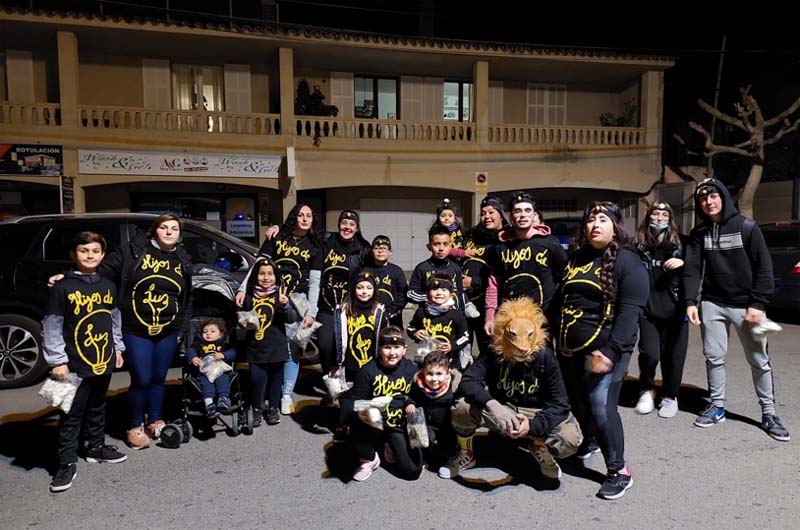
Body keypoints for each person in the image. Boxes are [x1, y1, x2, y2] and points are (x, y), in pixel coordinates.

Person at [683, 178, 790, 441]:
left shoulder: (747, 227)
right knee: (714, 357)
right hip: (712, 303)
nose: (708, 202)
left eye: (713, 196)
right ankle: (717, 406)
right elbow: (692, 269)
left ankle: (769, 413)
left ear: (723, 197)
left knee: (759, 360)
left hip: (747, 305)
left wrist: (757, 303)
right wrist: (690, 301)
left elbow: (764, 267)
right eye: (703, 198)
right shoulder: (699, 233)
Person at [555, 202, 648, 500]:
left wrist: (610, 351)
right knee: (577, 401)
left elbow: (630, 312)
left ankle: (619, 470)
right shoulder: (577, 257)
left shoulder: (628, 260)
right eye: (591, 220)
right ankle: (591, 439)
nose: (595, 225)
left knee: (600, 403)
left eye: (603, 220)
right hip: (571, 349)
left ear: (616, 226)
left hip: (607, 349)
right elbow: (562, 301)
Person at [441, 298, 581, 482]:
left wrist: (533, 425)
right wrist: (493, 405)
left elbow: (560, 403)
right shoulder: (495, 352)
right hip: (501, 410)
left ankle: (538, 444)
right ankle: (466, 451)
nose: (522, 348)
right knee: (461, 407)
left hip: (534, 413)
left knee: (570, 438)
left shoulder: (545, 356)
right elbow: (468, 380)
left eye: (529, 335)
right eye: (513, 336)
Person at [100, 213, 193, 449]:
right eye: (164, 227)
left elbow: (187, 296)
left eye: (174, 228)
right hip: (135, 328)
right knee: (141, 378)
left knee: (159, 378)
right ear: (154, 230)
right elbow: (100, 272)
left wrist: (182, 327)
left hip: (168, 329)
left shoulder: (181, 259)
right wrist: (69, 276)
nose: (169, 232)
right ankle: (134, 425)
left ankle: (155, 420)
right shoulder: (133, 251)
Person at [43, 231, 127, 492]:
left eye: (95, 251)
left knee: (98, 405)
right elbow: (52, 324)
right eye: (84, 251)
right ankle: (66, 462)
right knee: (71, 413)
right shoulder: (63, 286)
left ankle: (95, 447)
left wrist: (118, 348)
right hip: (73, 362)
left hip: (102, 357)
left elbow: (114, 318)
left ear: (102, 255)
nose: (90, 255)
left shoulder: (108, 285)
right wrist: (57, 361)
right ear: (73, 254)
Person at [237, 203, 323, 415]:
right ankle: (265, 393)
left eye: (309, 215)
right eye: (300, 215)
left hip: (297, 301)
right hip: (268, 298)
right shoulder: (277, 236)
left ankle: (286, 395)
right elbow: (258, 266)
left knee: (292, 349)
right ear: (294, 217)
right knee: (268, 341)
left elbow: (315, 282)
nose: (305, 219)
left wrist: (311, 311)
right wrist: (243, 288)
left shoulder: (315, 244)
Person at [633, 201, 688, 418]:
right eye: (655, 214)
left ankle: (670, 395)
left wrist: (682, 263)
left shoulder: (681, 244)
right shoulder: (638, 245)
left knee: (673, 357)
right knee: (649, 354)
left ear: (670, 219)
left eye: (665, 215)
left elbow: (696, 269)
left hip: (676, 310)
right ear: (648, 217)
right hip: (649, 310)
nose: (660, 218)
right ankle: (646, 390)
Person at [484, 191, 567, 335]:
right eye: (518, 211)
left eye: (527, 210)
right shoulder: (501, 247)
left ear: (534, 215)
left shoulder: (550, 243)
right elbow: (494, 285)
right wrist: (490, 317)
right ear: (511, 216)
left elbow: (564, 278)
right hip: (511, 322)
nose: (523, 215)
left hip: (542, 322)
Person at [347, 326, 419, 482]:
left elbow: (418, 397)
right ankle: (369, 458)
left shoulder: (412, 370)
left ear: (405, 349)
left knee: (412, 472)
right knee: (353, 420)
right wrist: (361, 411)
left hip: (398, 423)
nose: (392, 353)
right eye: (387, 347)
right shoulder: (367, 371)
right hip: (374, 422)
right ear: (379, 349)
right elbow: (354, 401)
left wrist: (412, 404)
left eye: (397, 347)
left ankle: (391, 444)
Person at [240, 258, 301, 427]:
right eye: (261, 274)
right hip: (256, 347)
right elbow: (241, 317)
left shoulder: (280, 296)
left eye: (270, 274)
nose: (266, 278)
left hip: (277, 346)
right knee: (257, 379)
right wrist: (243, 323)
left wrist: (286, 305)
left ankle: (273, 408)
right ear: (255, 276)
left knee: (276, 379)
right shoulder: (249, 296)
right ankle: (257, 407)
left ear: (276, 277)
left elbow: (292, 319)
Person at [315, 210, 372, 383]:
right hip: (326, 304)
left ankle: (349, 383)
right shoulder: (325, 240)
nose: (347, 227)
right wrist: (277, 227)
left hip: (349, 306)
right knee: (325, 345)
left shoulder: (363, 248)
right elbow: (302, 230)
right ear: (338, 224)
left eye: (352, 224)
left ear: (357, 228)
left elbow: (369, 276)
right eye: (344, 223)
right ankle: (331, 382)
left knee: (348, 347)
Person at [460, 197, 511, 358]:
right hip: (465, 302)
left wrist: (474, 282)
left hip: (489, 305)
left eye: (491, 212)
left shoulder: (507, 240)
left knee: (489, 349)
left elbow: (506, 276)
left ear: (501, 215)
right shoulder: (472, 236)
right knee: (462, 348)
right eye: (483, 213)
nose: (486, 217)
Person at [404, 350, 458, 472]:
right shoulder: (418, 384)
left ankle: (449, 458)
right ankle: (421, 455)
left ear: (447, 373)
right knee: (414, 423)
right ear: (423, 371)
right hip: (427, 424)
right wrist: (410, 404)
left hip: (447, 426)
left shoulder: (454, 387)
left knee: (447, 448)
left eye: (439, 374)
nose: (434, 379)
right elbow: (412, 397)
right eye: (429, 373)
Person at [406, 275, 470, 372]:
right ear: (427, 294)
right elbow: (410, 327)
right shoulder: (421, 312)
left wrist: (452, 346)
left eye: (444, 290)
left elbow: (465, 336)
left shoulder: (456, 315)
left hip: (450, 363)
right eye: (434, 289)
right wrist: (415, 333)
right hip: (425, 362)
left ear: (451, 295)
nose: (439, 293)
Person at [333, 270, 386, 379]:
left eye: (369, 288)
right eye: (360, 288)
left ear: (374, 290)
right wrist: (336, 363)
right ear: (353, 289)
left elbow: (383, 339)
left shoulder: (378, 312)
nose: (364, 292)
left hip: (372, 364)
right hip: (350, 364)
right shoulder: (344, 311)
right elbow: (337, 339)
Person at [185, 319, 236, 419]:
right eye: (205, 331)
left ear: (220, 334)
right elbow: (189, 350)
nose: (208, 333)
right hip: (204, 372)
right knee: (206, 382)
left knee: (223, 379)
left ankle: (223, 399)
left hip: (220, 371)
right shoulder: (198, 345)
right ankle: (209, 404)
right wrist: (193, 357)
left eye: (212, 331)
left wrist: (224, 355)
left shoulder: (224, 345)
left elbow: (233, 352)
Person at [407, 225, 465, 310]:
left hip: (452, 315)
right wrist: (430, 297)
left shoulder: (456, 269)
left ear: (450, 246)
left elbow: (460, 294)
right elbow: (410, 293)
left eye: (445, 244)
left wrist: (461, 314)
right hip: (428, 315)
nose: (441, 248)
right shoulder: (422, 268)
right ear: (429, 247)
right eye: (436, 244)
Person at [358, 235, 408, 328]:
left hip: (392, 318)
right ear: (371, 251)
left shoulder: (396, 271)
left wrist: (389, 311)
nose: (380, 251)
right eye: (376, 248)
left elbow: (403, 295)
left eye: (384, 248)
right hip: (370, 316)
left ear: (390, 252)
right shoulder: (365, 271)